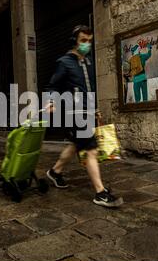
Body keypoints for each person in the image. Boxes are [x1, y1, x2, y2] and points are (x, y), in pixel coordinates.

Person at [45, 25, 124, 208]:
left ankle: (55, 172)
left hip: (85, 111)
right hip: (71, 113)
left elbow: (89, 89)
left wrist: (94, 109)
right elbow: (53, 86)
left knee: (75, 146)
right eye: (83, 40)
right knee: (91, 149)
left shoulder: (87, 62)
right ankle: (100, 193)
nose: (87, 44)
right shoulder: (64, 62)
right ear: (74, 41)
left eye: (89, 41)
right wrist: (51, 101)